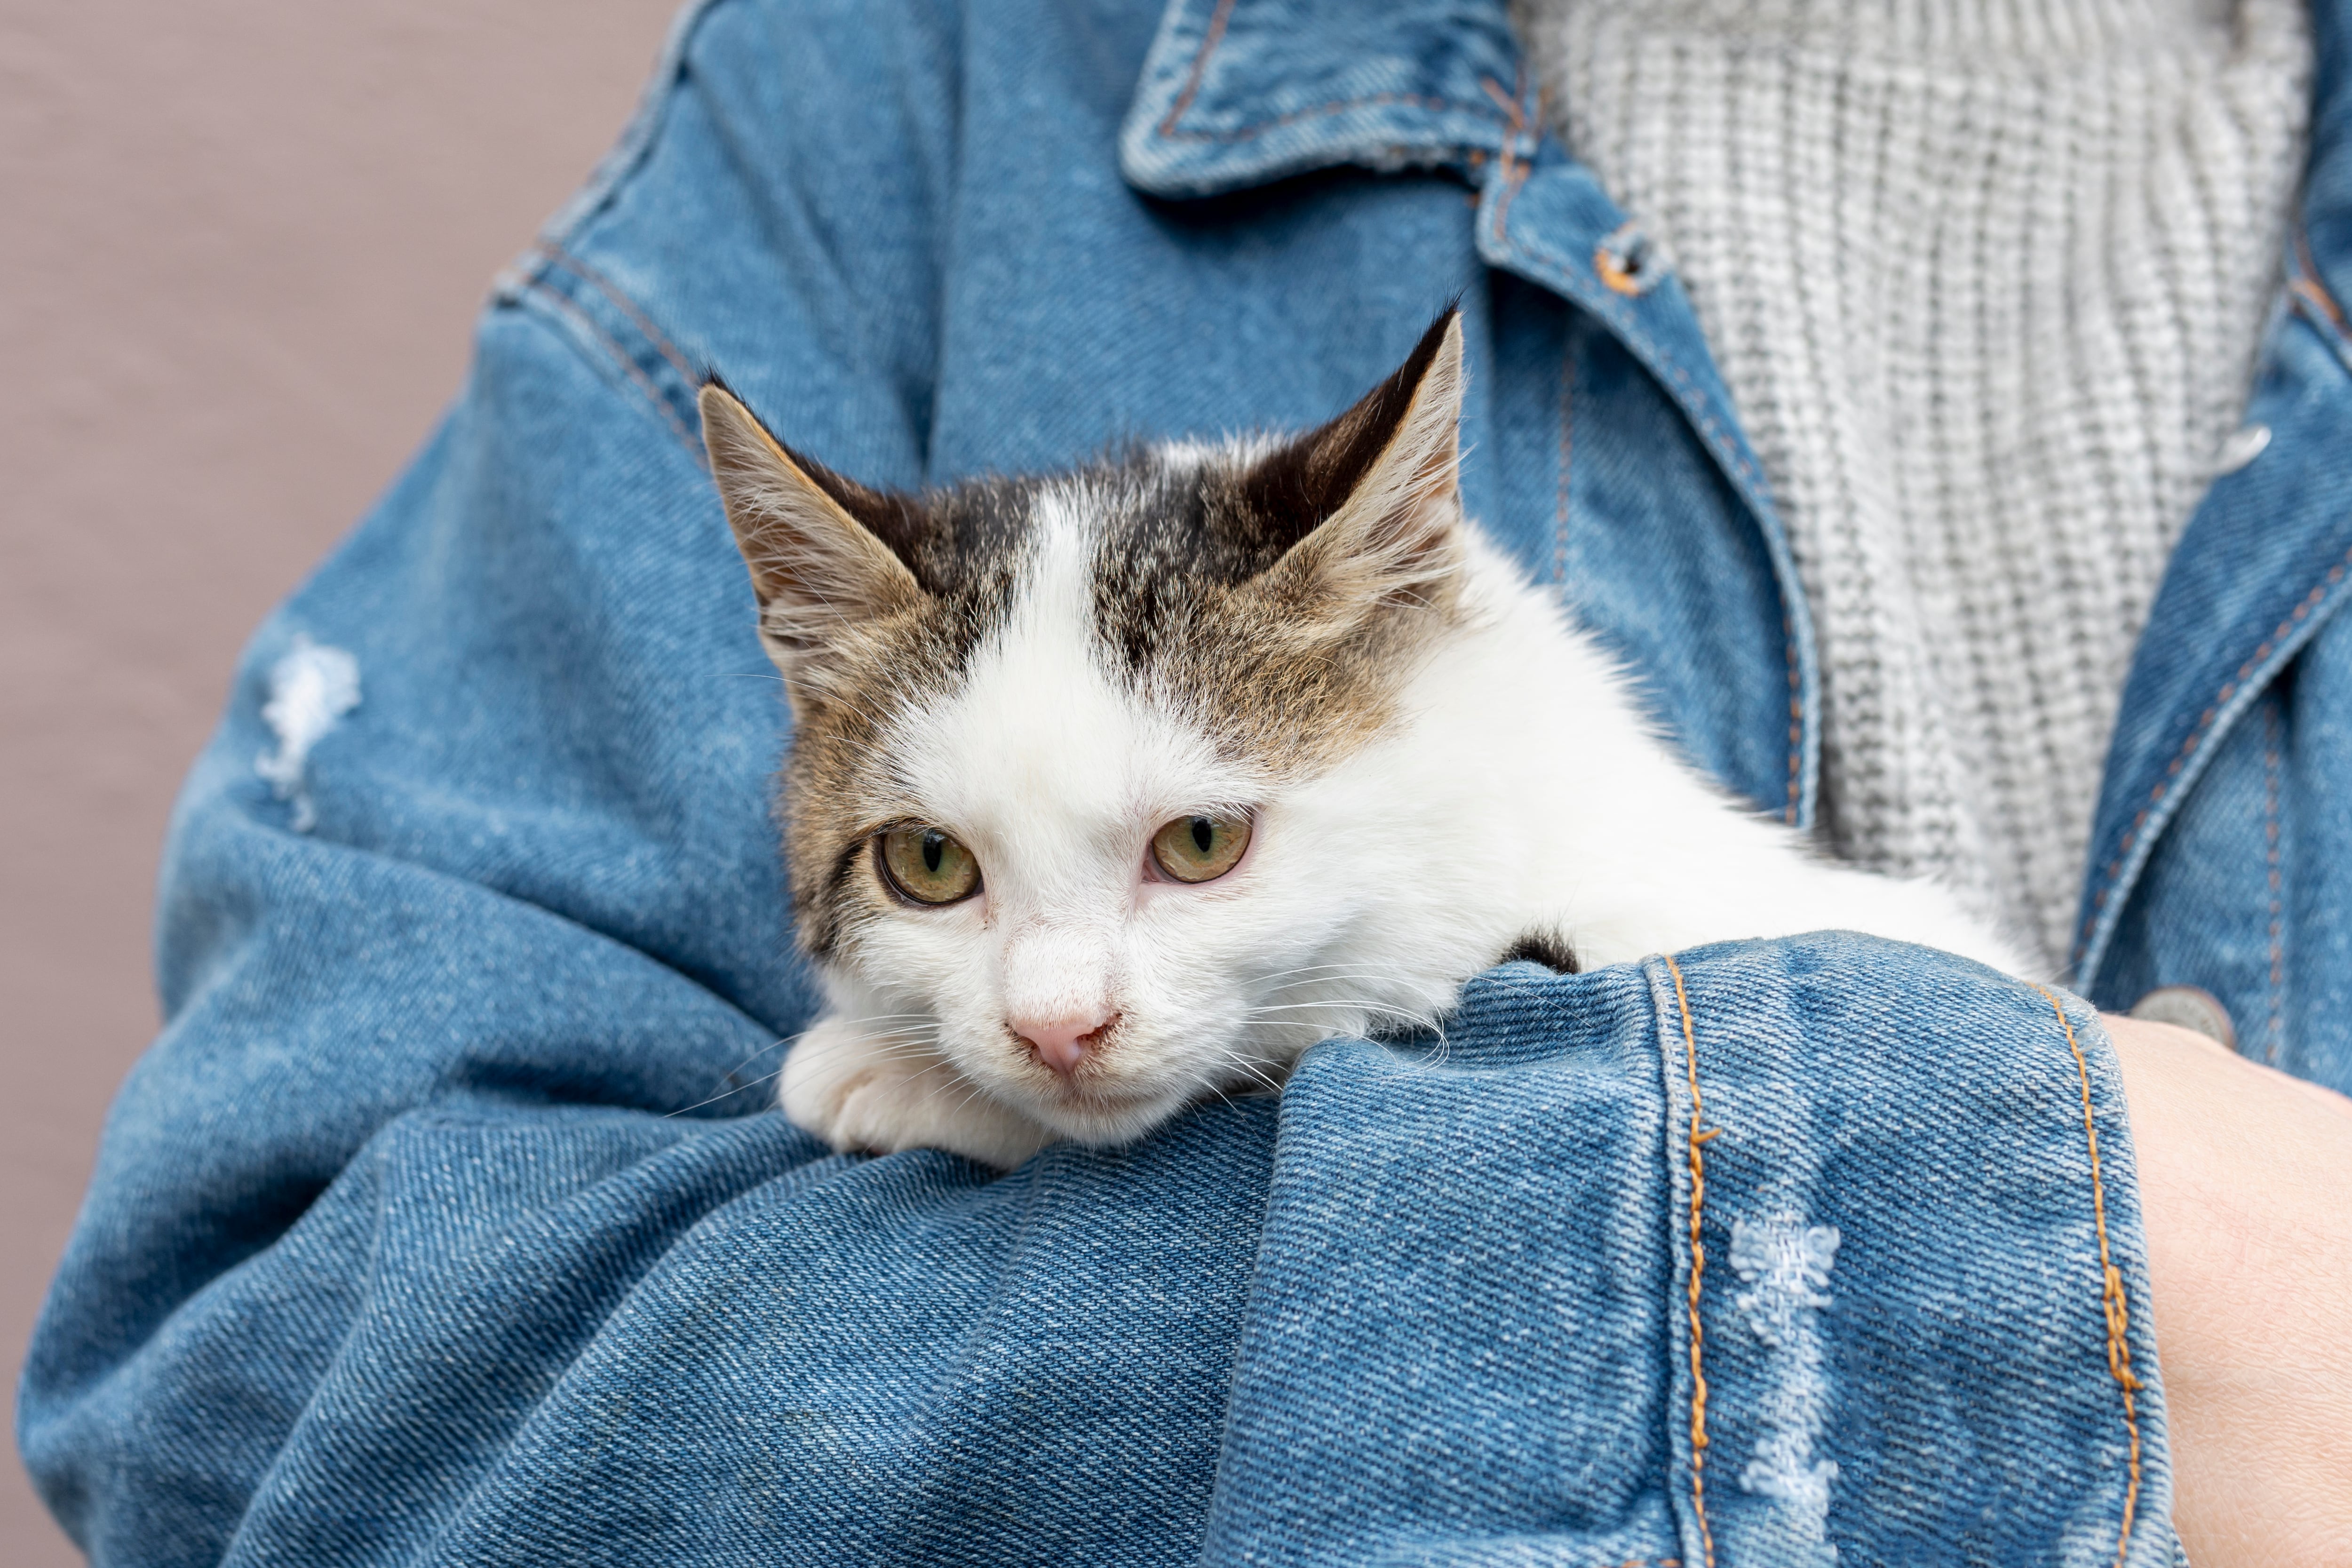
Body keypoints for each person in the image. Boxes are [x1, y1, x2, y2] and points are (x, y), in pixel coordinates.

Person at [19, 0, 2352, 1562]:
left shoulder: (1473, 742)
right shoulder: (903, 81)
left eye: (1195, 844)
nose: (1051, 1006)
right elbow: (254, 1381)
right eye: (929, 863)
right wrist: (2106, 1264)